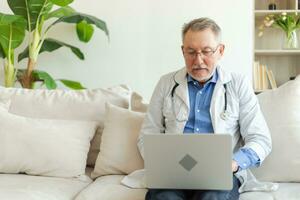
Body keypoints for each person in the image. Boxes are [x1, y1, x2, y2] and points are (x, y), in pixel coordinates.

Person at [137, 18, 272, 200]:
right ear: (182, 51)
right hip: (172, 176)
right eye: (191, 52)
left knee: (212, 197)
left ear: (220, 51)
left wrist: (233, 164)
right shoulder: (166, 84)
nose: (198, 60)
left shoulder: (238, 84)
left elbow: (260, 139)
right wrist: (163, 164)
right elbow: (147, 136)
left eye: (206, 51)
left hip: (221, 175)